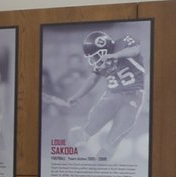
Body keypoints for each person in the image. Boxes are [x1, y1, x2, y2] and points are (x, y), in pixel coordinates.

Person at [45, 31, 147, 160]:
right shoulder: (102, 62)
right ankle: (80, 158)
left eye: (94, 56)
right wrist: (77, 96)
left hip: (133, 97)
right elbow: (92, 80)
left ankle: (101, 167)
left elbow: (135, 50)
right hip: (111, 96)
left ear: (103, 51)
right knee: (84, 131)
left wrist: (114, 56)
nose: (93, 60)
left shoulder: (123, 43)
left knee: (113, 138)